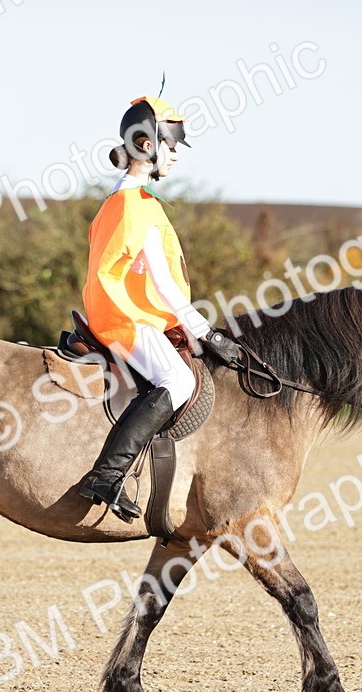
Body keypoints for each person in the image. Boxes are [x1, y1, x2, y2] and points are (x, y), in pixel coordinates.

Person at [78, 94, 238, 522]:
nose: (176, 157)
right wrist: (207, 332)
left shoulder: (126, 196)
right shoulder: (136, 205)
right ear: (147, 145)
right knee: (179, 380)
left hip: (128, 310)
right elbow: (164, 283)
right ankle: (106, 475)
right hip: (122, 316)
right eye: (172, 147)